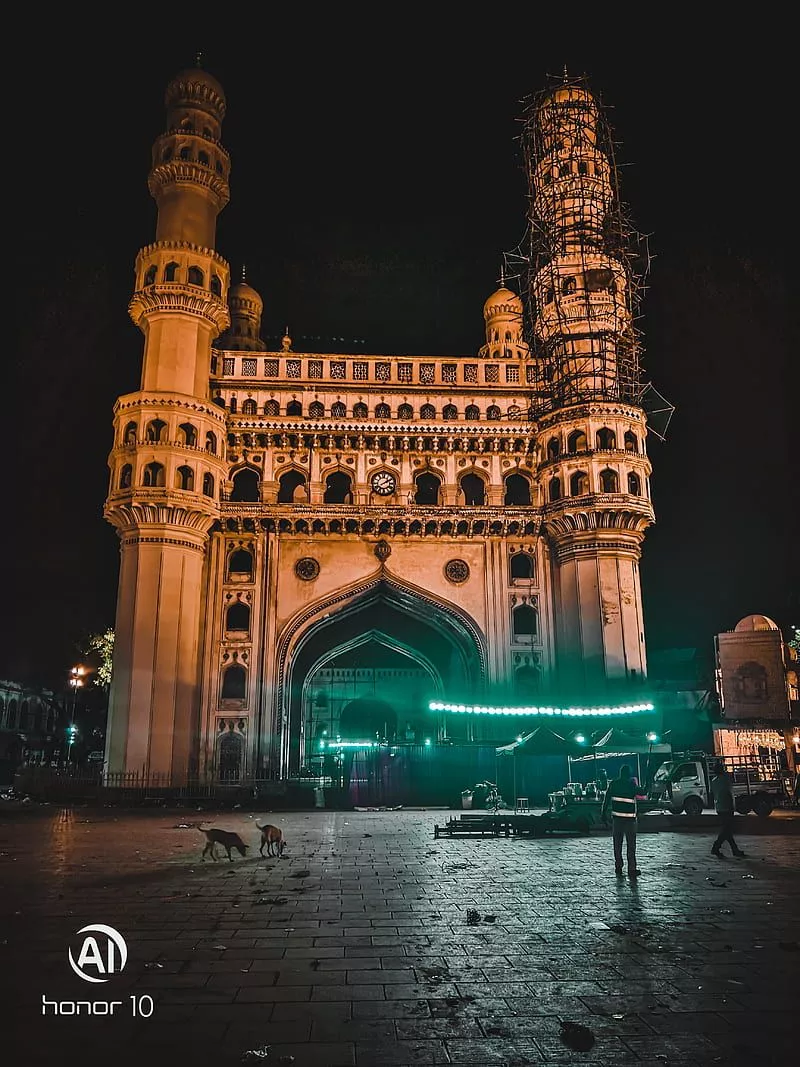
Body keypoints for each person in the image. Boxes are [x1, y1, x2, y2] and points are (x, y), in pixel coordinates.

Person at [601, 764, 640, 878]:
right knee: (631, 845)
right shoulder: (631, 784)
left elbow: (606, 799)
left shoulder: (614, 784)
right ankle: (631, 868)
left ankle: (618, 866)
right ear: (628, 774)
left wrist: (603, 813)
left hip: (617, 819)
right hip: (630, 820)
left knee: (617, 844)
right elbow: (642, 792)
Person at [711, 763, 746, 857]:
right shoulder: (725, 780)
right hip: (727, 806)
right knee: (726, 830)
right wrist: (733, 805)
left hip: (719, 807)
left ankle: (734, 850)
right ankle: (716, 847)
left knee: (727, 830)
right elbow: (729, 793)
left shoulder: (713, 781)